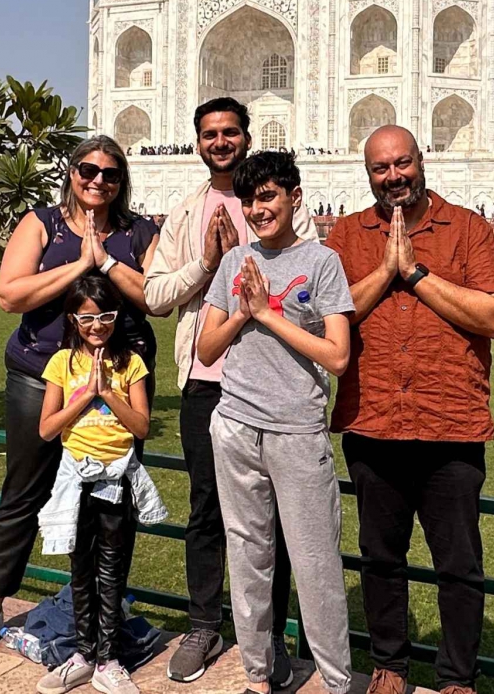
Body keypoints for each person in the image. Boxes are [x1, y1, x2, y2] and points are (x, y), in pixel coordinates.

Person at [0, 135, 161, 664]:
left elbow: (155, 300)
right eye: (88, 170)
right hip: (42, 377)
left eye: (110, 174)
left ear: (121, 181)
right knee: (24, 493)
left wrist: (108, 264)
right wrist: (81, 263)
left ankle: (104, 627)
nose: (98, 181)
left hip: (119, 378)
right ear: (72, 173)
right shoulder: (41, 223)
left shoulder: (139, 233)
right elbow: (9, 294)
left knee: (112, 505)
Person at [326, 126, 494, 694]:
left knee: (458, 565)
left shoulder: (466, 229)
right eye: (380, 168)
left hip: (448, 423)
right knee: (381, 558)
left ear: (420, 160)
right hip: (374, 420)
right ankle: (390, 666)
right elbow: (330, 316)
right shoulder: (348, 235)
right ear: (368, 173)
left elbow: (493, 316)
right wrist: (385, 271)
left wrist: (417, 275)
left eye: (401, 163)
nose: (393, 177)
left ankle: (457, 677)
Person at [143, 98, 311, 684]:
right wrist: (206, 262)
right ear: (198, 143)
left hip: (273, 384)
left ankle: (270, 637)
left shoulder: (280, 206)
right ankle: (204, 626)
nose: (221, 141)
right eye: (210, 134)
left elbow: (309, 280)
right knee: (207, 511)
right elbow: (155, 296)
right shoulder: (187, 212)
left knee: (278, 516)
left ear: (247, 137)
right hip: (206, 381)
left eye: (230, 132)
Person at [196, 151, 355, 694]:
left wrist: (266, 314)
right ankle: (257, 677)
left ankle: (335, 682)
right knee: (248, 559)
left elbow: (337, 356)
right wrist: (242, 311)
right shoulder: (235, 261)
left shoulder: (322, 262)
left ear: (294, 197)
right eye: (249, 200)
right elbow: (207, 347)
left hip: (296, 429)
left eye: (267, 196)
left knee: (315, 564)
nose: (258, 209)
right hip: (237, 424)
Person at [34, 272, 166, 694]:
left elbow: (141, 426)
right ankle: (83, 652)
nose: (96, 326)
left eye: (105, 316)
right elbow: (47, 429)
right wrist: (84, 394)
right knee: (80, 569)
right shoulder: (61, 363)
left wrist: (108, 393)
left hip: (116, 479)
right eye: (86, 318)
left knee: (111, 570)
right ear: (72, 319)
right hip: (76, 479)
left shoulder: (131, 363)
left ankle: (108, 659)